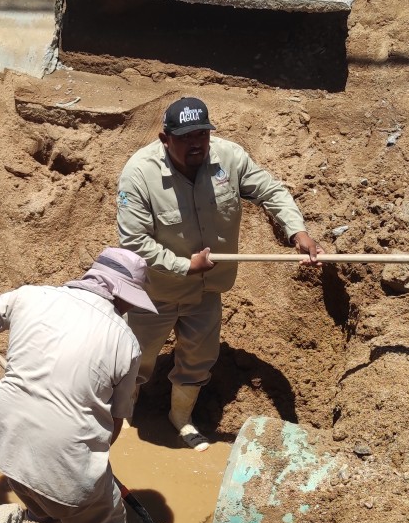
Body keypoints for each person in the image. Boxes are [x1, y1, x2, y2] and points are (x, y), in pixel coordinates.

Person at [116, 96, 323, 452]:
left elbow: (270, 190)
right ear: (165, 139)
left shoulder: (229, 158)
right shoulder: (139, 174)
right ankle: (122, 416)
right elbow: (134, 241)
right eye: (185, 136)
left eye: (202, 134)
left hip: (206, 291)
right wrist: (184, 265)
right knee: (136, 357)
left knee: (198, 360)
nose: (196, 142)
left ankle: (180, 419)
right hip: (157, 291)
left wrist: (297, 231)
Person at [0, 247, 157, 523]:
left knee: (44, 512)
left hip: (11, 456)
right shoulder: (126, 343)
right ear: (120, 293)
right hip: (70, 469)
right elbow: (112, 428)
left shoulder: (29, 296)